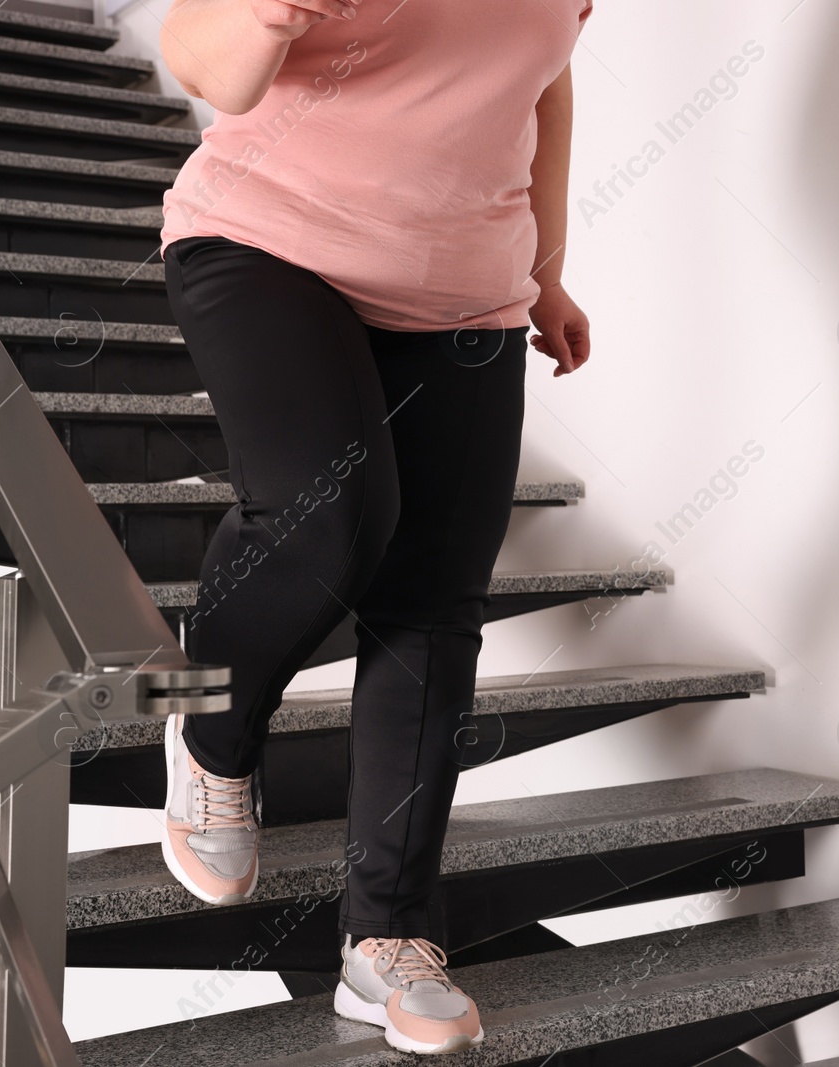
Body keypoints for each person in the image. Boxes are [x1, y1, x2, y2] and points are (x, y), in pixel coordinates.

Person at [152, 0, 594, 1053]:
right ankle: (204, 722)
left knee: (436, 608)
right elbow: (197, 57)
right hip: (266, 242)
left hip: (465, 295)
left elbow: (544, 78)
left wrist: (543, 272)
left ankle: (385, 937)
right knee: (331, 516)